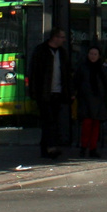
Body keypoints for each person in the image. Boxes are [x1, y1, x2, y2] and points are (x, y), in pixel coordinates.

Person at [29, 28, 73, 159]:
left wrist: (69, 91)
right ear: (54, 37)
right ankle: (50, 147)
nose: (64, 40)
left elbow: (67, 73)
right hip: (44, 92)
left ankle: (46, 148)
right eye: (61, 37)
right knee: (49, 120)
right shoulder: (41, 51)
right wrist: (34, 92)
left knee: (52, 120)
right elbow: (34, 72)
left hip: (58, 92)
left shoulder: (62, 53)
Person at [77, 45, 107, 158]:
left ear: (99, 56)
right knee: (87, 125)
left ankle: (92, 148)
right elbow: (76, 81)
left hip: (98, 100)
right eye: (91, 54)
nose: (92, 56)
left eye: (95, 54)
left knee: (95, 125)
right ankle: (83, 147)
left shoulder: (102, 69)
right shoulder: (82, 67)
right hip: (85, 100)